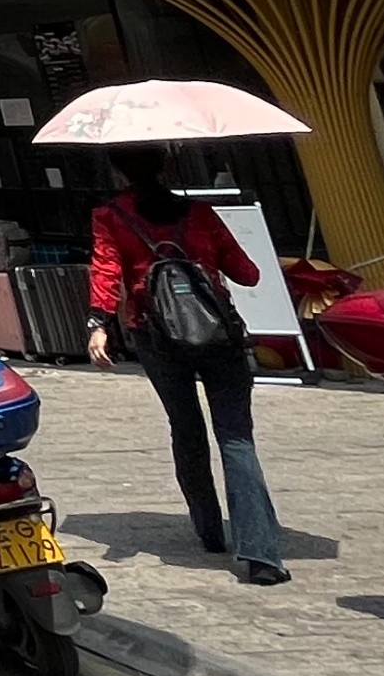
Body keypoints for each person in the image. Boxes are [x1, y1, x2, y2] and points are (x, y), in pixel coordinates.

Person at [86, 148, 289, 587]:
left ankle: (209, 530)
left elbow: (105, 271)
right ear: (167, 167)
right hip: (220, 337)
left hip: (156, 336)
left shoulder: (111, 215)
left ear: (119, 171)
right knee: (237, 438)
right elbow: (248, 274)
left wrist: (98, 325)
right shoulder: (200, 212)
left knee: (186, 427)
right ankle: (261, 554)